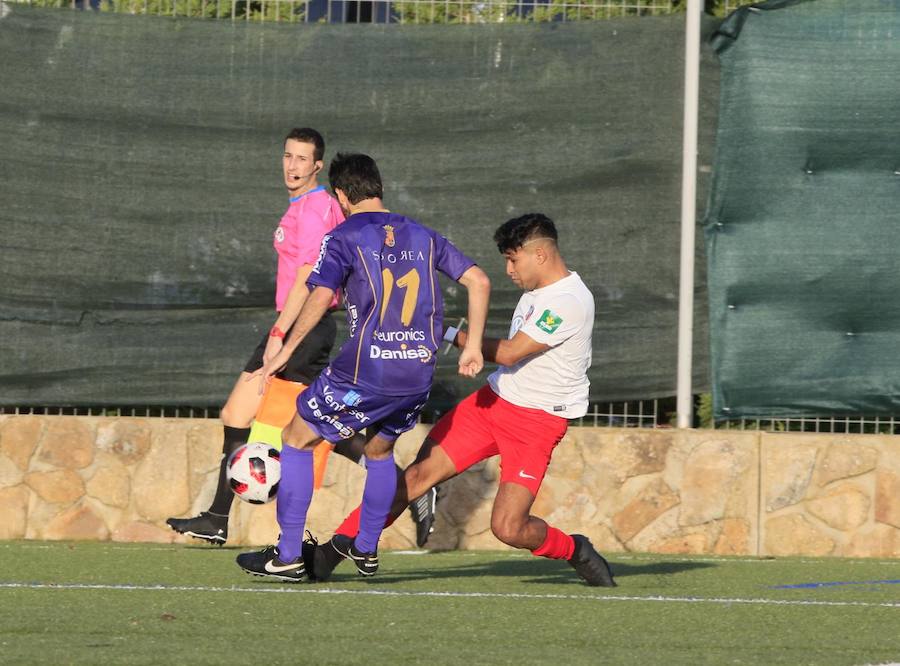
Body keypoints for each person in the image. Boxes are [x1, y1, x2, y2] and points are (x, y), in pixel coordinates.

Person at [311, 213, 616, 587]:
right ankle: (327, 555)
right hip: (492, 404)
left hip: (537, 424)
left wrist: (447, 332)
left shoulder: (569, 301)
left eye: (512, 259)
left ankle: (574, 549)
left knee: (510, 528)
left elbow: (508, 353)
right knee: (415, 478)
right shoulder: (538, 291)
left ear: (540, 255)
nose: (508, 270)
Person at [166, 131, 440, 546]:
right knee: (241, 416)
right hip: (297, 327)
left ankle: (408, 486)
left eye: (302, 159)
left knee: (316, 426)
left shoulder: (314, 209)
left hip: (304, 329)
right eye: (287, 156)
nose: (291, 166)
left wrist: (281, 335)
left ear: (317, 167)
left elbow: (308, 280)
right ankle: (218, 518)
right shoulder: (304, 206)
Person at [235, 152, 490, 581]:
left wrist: (282, 351)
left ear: (340, 195)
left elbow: (320, 296)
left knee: (296, 438)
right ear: (379, 188)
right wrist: (473, 347)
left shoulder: (343, 235)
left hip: (366, 369)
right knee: (378, 450)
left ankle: (288, 554)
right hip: (416, 371)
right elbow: (478, 280)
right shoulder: (423, 234)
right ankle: (367, 548)